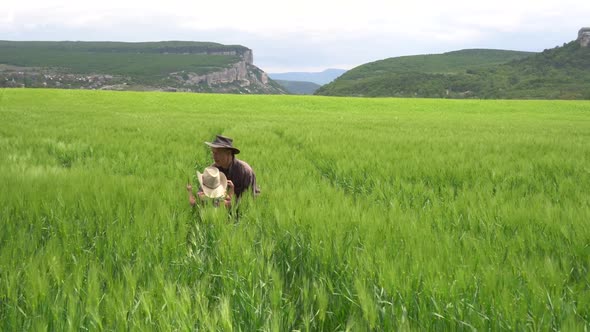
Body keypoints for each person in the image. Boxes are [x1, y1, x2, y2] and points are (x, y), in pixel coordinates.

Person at [187, 135, 259, 207]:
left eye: (217, 153)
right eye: (213, 152)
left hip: (240, 213)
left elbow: (251, 198)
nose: (213, 156)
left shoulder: (245, 171)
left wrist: (231, 204)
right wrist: (201, 196)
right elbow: (201, 192)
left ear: (228, 153)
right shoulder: (212, 171)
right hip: (216, 213)